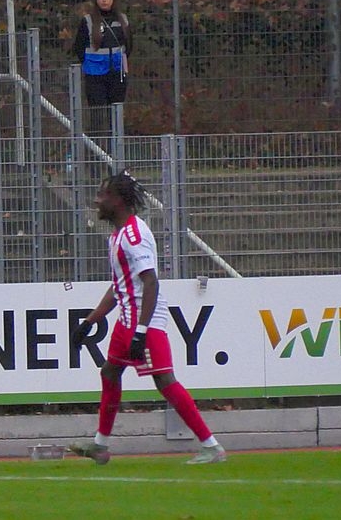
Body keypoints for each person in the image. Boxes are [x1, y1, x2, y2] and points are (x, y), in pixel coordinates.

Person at [68, 172, 226, 465]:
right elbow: (119, 287)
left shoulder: (134, 236)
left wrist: (141, 331)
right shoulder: (117, 235)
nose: (96, 201)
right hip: (127, 320)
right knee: (110, 372)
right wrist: (89, 322)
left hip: (144, 320)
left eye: (102, 195)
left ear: (118, 200)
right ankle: (100, 446)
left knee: (165, 380)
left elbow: (150, 282)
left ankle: (212, 446)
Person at [72, 0, 132, 136]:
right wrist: (91, 63)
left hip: (117, 74)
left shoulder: (123, 20)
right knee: (97, 116)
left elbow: (129, 46)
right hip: (95, 75)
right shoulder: (87, 21)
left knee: (116, 115)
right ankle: (96, 149)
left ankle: (116, 149)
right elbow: (79, 47)